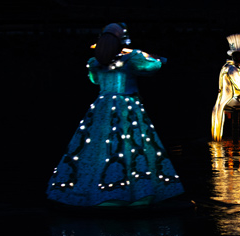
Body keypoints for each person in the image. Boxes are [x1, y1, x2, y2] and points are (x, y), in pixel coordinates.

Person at [47, 23, 184, 207]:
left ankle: (95, 191)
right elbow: (152, 68)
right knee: (131, 147)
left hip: (101, 108)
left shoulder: (95, 63)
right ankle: (135, 193)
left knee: (97, 149)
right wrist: (151, 57)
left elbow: (94, 80)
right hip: (127, 107)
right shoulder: (130, 60)